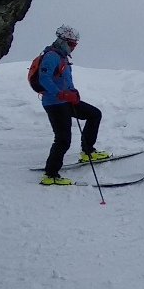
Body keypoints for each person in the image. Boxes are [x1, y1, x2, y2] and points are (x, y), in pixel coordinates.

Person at [36, 25, 110, 185]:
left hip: (66, 101)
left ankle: (88, 151)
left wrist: (73, 92)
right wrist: (60, 93)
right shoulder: (52, 56)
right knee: (63, 139)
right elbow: (44, 78)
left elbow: (63, 80)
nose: (73, 47)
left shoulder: (62, 57)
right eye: (71, 43)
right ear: (62, 41)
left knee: (94, 114)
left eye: (75, 44)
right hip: (55, 103)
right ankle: (50, 175)